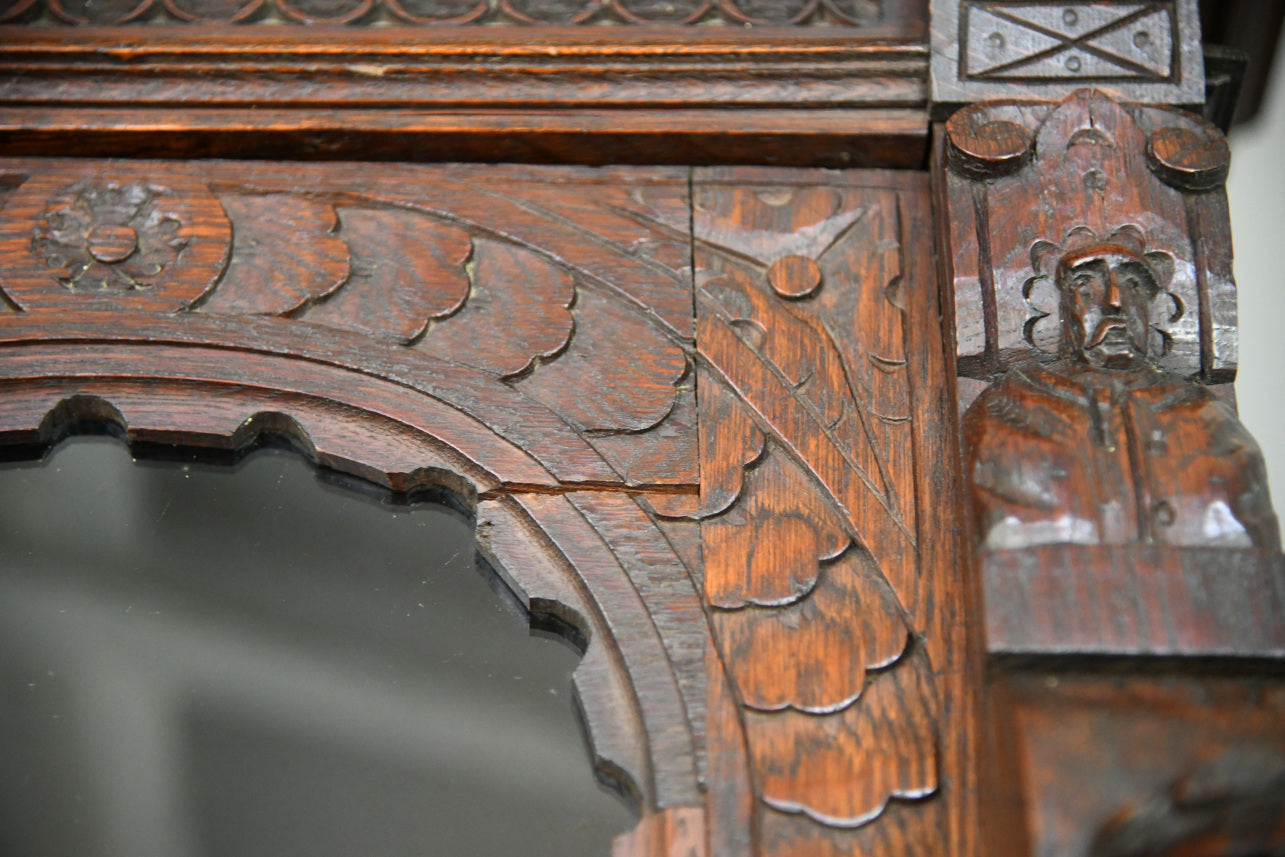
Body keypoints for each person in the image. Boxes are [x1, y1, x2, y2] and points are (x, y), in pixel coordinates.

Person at [964, 241, 1279, 551]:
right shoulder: (1009, 406)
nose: (1115, 301)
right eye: (1086, 286)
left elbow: (1244, 541)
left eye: (1132, 286)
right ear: (1056, 307)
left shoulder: (1204, 414)